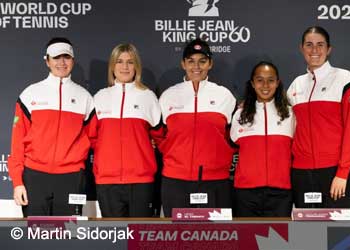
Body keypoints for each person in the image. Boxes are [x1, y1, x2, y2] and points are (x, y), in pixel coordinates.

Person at [8, 37, 94, 216]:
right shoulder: (30, 94)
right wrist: (17, 182)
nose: (62, 62)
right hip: (35, 177)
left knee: (70, 238)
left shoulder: (85, 97)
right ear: (47, 61)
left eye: (66, 57)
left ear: (73, 60)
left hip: (72, 178)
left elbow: (93, 139)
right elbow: (17, 143)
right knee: (35, 237)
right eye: (56, 57)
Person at [158, 38, 236, 217]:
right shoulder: (168, 96)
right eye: (191, 61)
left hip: (215, 181)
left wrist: (219, 159)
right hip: (176, 181)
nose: (197, 66)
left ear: (210, 64)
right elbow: (159, 135)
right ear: (183, 64)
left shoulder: (224, 96)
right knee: (177, 239)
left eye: (202, 61)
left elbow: (233, 136)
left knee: (216, 239)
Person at [287, 26, 350, 210]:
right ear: (301, 48)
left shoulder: (345, 79)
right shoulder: (296, 85)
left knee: (338, 235)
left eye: (320, 45)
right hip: (302, 174)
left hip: (335, 173)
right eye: (309, 45)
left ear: (329, 49)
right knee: (306, 236)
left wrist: (343, 173)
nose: (315, 50)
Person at [90, 44, 161, 217]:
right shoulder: (100, 97)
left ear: (136, 66)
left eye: (130, 62)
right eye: (120, 61)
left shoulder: (148, 97)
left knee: (140, 241)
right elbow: (91, 137)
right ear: (112, 66)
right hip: (107, 181)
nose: (125, 67)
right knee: (114, 239)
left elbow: (160, 136)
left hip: (141, 181)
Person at [230, 61, 294, 217]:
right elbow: (230, 147)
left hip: (281, 193)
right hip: (245, 193)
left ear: (277, 83)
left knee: (279, 241)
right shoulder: (240, 115)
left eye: (271, 80)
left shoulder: (291, 114)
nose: (265, 85)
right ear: (252, 83)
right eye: (259, 80)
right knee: (246, 241)